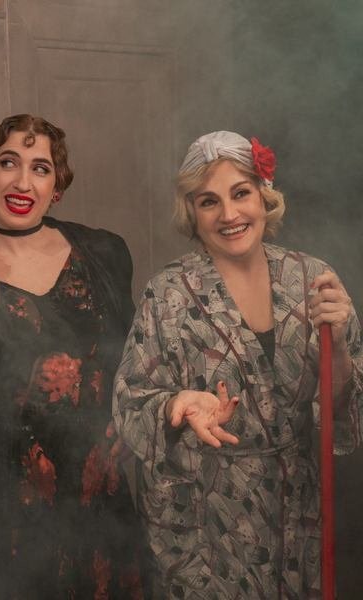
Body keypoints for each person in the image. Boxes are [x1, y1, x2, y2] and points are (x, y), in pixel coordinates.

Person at [113, 130, 363, 598]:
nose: (229, 214)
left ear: (264, 197)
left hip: (297, 514)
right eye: (209, 201)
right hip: (202, 524)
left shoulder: (312, 279)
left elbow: (342, 413)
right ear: (192, 212)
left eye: (240, 193)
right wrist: (175, 406)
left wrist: (342, 353)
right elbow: (130, 405)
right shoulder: (167, 293)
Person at [0, 114, 149, 599]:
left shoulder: (104, 252)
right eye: (8, 163)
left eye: (40, 168)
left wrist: (130, 420)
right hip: (2, 507)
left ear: (56, 188)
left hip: (96, 495)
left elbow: (134, 356)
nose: (23, 182)